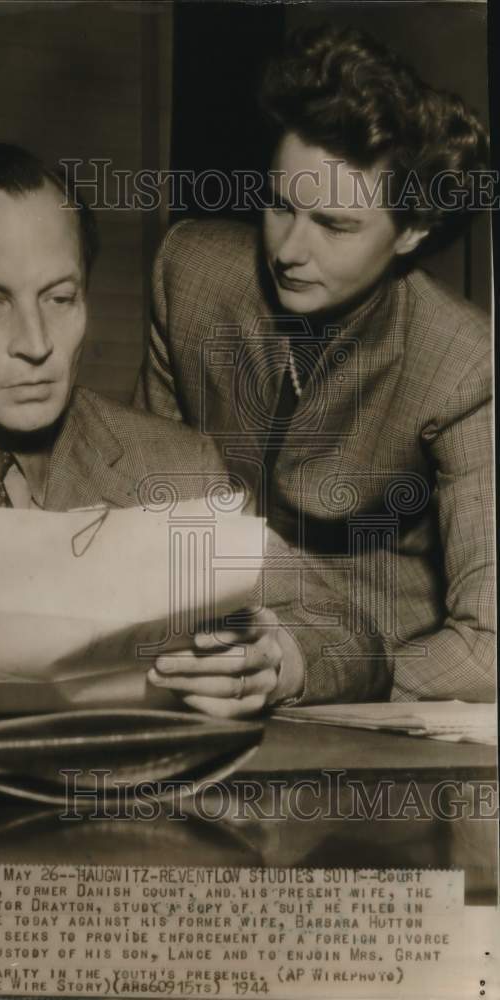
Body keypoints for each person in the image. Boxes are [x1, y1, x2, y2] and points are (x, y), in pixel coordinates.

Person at [0, 143, 387, 717]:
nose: (36, 343)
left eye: (61, 298)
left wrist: (276, 661)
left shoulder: (174, 467)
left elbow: (347, 635)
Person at [135, 25, 494, 703]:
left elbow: (489, 646)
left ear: (412, 230)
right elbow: (149, 512)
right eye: (280, 205)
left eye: (334, 225)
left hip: (380, 666)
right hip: (202, 646)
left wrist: (313, 670)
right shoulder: (189, 273)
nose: (289, 251)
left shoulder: (465, 362)